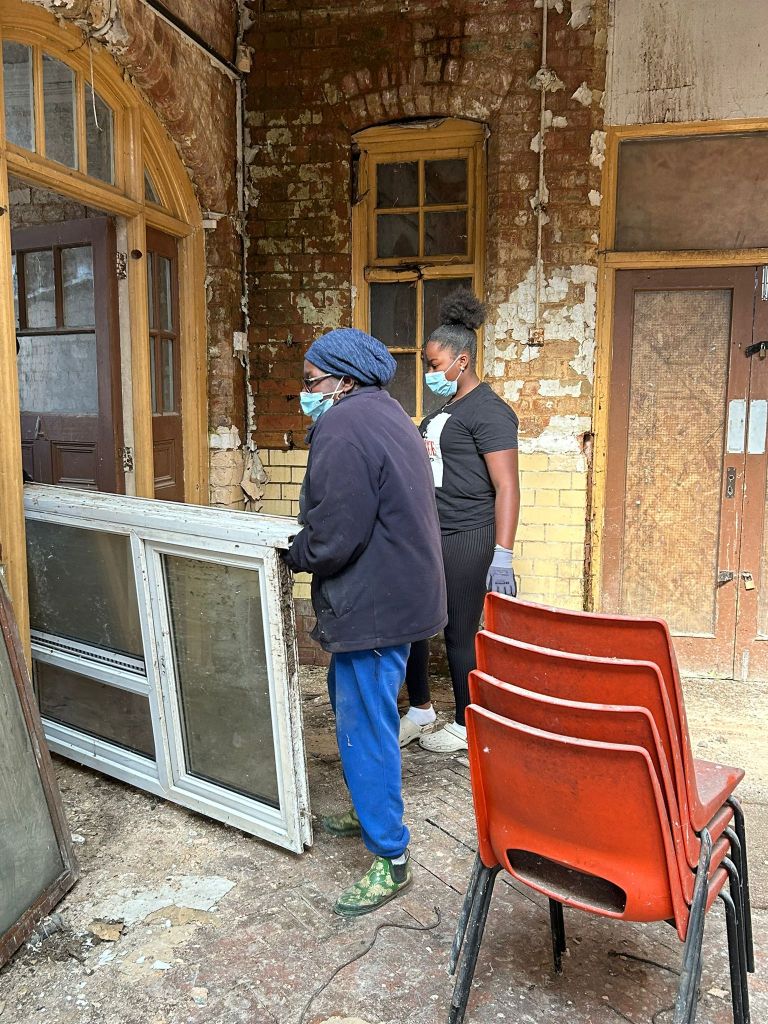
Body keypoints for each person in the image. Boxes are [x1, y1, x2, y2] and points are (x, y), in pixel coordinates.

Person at [282, 327, 447, 917]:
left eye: (312, 382)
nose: (306, 391)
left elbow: (335, 535)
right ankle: (367, 808)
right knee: (358, 710)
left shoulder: (343, 426)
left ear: (344, 380)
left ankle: (391, 857)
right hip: (399, 592)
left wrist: (293, 551)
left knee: (366, 723)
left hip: (374, 603)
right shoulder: (388, 412)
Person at [399, 290, 520, 753]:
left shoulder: (490, 411)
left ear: (461, 361)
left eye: (434, 364)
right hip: (432, 533)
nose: (429, 373)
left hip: (469, 534)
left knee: (458, 631)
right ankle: (421, 709)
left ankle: (468, 723)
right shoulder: (446, 410)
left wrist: (502, 554)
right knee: (414, 622)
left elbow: (507, 485)